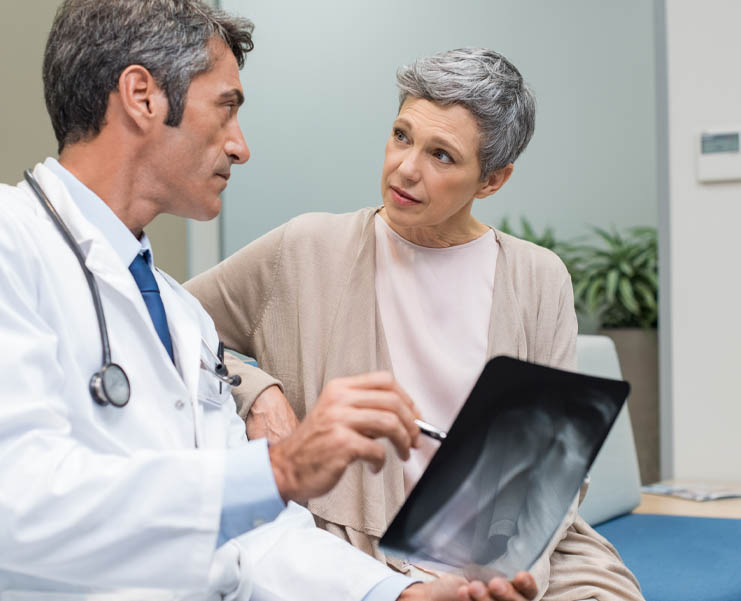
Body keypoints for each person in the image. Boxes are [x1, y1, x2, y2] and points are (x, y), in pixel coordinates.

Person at [0, 2, 535, 600]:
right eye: (226, 108)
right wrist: (279, 469)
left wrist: (396, 595)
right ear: (142, 96)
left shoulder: (181, 318)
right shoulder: (12, 244)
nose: (240, 146)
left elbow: (258, 538)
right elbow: (14, 507)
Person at [186, 48, 644, 601]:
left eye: (442, 156)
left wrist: (493, 573)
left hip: (508, 552)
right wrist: (257, 390)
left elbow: (552, 464)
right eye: (402, 136)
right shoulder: (305, 248)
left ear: (492, 180)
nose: (405, 167)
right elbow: (166, 321)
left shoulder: (539, 278)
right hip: (354, 546)